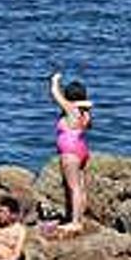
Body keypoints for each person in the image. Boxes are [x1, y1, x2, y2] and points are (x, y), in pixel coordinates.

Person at [49, 72, 93, 233]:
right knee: (79, 187)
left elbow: (55, 94)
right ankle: (79, 217)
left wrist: (55, 80)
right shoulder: (85, 113)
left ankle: (75, 222)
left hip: (70, 151)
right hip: (81, 149)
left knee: (73, 188)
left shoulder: (71, 109)